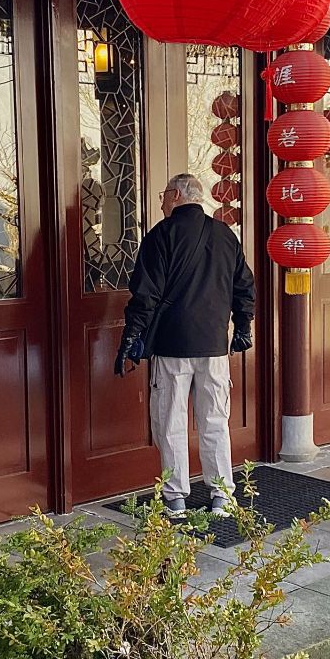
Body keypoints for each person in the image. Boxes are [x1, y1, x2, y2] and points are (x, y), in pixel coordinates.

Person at [114, 173, 255, 518]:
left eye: (163, 195)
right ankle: (222, 495)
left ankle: (175, 497)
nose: (161, 202)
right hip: (213, 346)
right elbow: (244, 287)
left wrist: (131, 337)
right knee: (214, 419)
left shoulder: (160, 236)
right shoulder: (225, 235)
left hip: (172, 345)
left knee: (171, 419)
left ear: (176, 194)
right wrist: (243, 326)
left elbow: (145, 295)